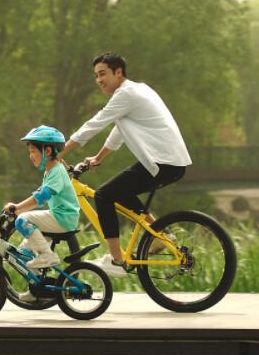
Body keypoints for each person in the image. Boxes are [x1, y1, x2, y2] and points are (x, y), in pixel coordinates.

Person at [55, 52, 191, 277]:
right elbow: (120, 130)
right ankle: (160, 236)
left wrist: (59, 153)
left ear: (118, 72)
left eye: (103, 74)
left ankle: (116, 261)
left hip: (162, 162)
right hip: (170, 162)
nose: (99, 80)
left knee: (104, 195)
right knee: (119, 193)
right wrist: (98, 158)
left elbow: (93, 125)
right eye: (96, 76)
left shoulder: (126, 94)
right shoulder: (138, 90)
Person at [5, 126, 80, 302]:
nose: (30, 155)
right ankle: (37, 290)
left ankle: (47, 256)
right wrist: (19, 208)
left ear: (47, 151)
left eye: (33, 151)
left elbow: (41, 196)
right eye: (29, 152)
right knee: (24, 253)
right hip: (58, 216)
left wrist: (17, 208)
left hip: (63, 218)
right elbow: (40, 197)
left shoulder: (56, 171)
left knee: (23, 220)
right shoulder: (50, 170)